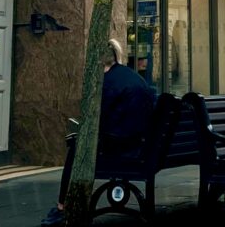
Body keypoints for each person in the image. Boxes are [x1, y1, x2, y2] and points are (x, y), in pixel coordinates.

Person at [41, 39, 155, 226]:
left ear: (97, 62)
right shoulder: (135, 78)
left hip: (123, 149)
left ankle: (62, 206)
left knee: (77, 148)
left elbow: (96, 121)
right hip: (143, 145)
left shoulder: (106, 84)